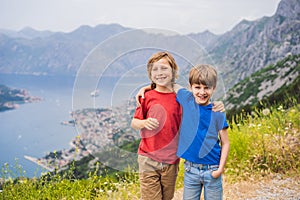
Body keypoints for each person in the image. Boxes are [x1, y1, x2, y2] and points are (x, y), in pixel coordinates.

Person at [131, 51, 225, 200]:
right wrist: (143, 122)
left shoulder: (181, 98)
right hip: (147, 158)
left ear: (173, 71)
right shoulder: (146, 96)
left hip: (171, 160)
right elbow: (134, 122)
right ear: (149, 73)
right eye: (155, 69)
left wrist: (218, 104)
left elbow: (200, 98)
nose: (160, 73)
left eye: (164, 68)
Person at [173, 64, 230, 200]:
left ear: (213, 88)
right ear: (190, 87)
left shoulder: (217, 112)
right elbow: (169, 85)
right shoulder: (186, 99)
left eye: (207, 88)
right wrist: (143, 89)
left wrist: (220, 169)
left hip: (212, 169)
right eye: (197, 87)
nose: (202, 92)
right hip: (190, 170)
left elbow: (225, 143)